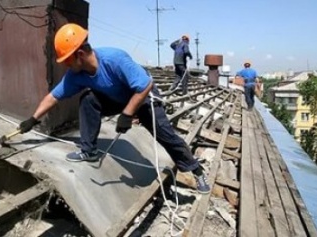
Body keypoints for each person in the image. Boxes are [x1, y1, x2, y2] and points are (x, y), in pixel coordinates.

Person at [18, 23, 210, 194]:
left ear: (80, 54)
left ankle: (196, 171)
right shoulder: (76, 75)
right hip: (116, 99)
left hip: (143, 97)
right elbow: (53, 96)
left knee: (166, 136)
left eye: (67, 60)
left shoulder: (114, 59)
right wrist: (33, 119)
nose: (66, 65)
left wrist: (127, 114)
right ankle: (89, 151)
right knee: (88, 99)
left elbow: (145, 85)